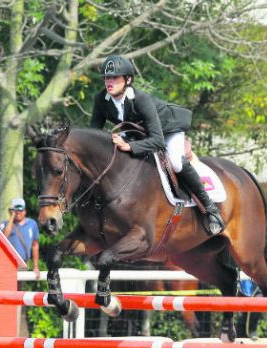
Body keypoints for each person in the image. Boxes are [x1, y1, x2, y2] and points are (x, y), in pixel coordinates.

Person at [90, 54, 225, 236]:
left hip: (166, 130)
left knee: (176, 162)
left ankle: (210, 210)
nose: (109, 82)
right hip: (137, 132)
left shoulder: (141, 99)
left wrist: (129, 147)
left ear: (128, 79)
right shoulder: (101, 99)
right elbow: (94, 135)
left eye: (114, 77)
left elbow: (157, 140)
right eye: (107, 78)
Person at [0, 197, 41, 279]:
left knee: (20, 290)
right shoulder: (5, 224)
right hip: (7, 264)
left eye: (20, 209)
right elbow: (4, 237)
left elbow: (35, 246)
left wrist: (36, 266)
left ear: (25, 211)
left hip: (23, 265)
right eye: (15, 209)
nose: (18, 212)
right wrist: (12, 217)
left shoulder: (32, 224)